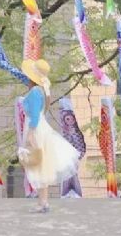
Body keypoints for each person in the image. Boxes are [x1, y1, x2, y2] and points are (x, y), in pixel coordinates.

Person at [20, 58, 79, 213]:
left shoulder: (34, 92)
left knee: (38, 163)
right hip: (42, 127)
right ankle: (43, 202)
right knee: (42, 164)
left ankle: (42, 202)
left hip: (36, 128)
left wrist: (30, 134)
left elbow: (33, 115)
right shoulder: (42, 91)